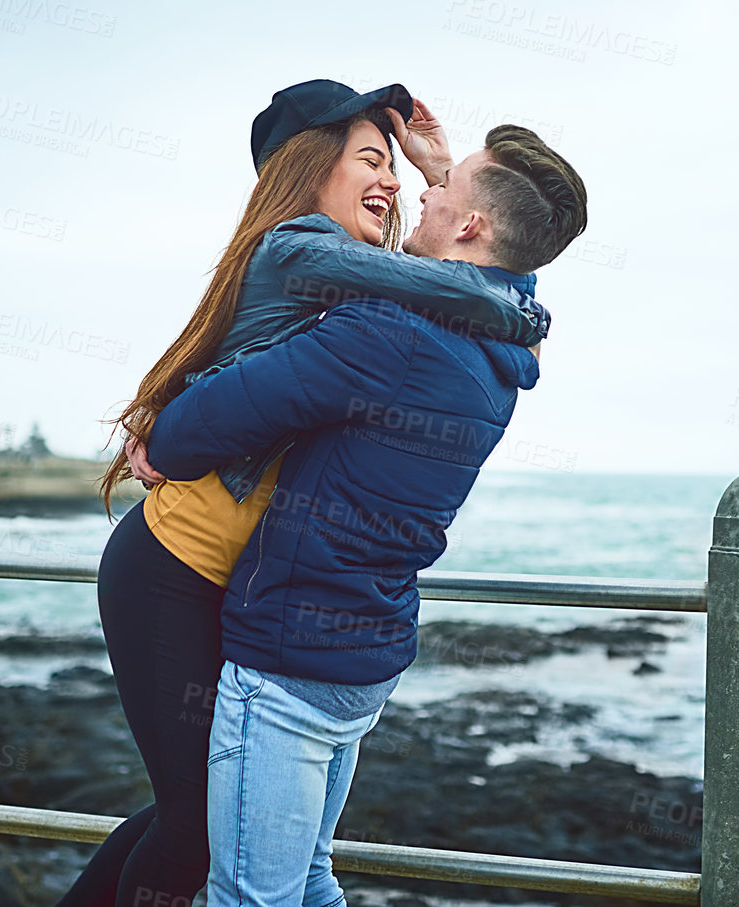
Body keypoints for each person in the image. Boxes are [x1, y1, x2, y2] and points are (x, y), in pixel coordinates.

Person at [56, 80, 551, 907]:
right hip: (171, 567)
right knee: (193, 822)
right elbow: (457, 286)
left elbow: (451, 280)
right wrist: (521, 308)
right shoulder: (298, 247)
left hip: (230, 581)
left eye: (393, 168)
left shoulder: (366, 288)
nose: (391, 182)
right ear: (311, 168)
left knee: (197, 810)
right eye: (369, 159)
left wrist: (436, 173)